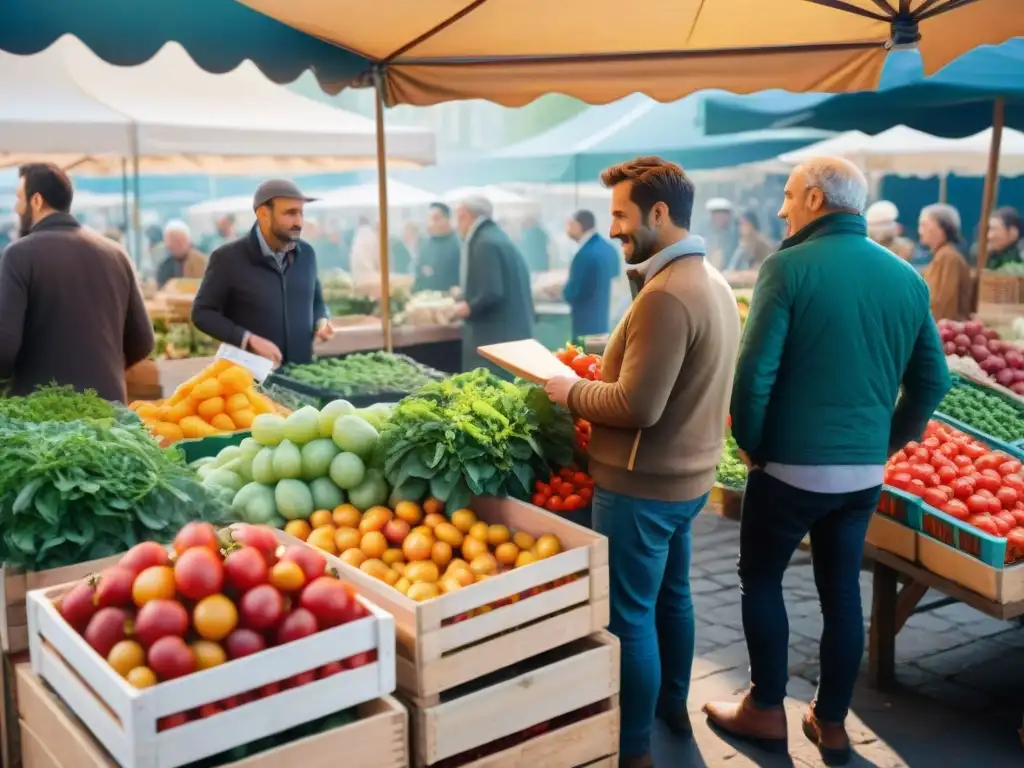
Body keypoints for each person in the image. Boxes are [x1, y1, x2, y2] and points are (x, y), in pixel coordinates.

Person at [703, 157, 950, 765]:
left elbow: (753, 375)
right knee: (841, 590)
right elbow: (933, 381)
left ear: (815, 198)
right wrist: (887, 442)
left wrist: (752, 444)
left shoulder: (786, 267)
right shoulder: (907, 278)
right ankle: (832, 722)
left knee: (761, 577)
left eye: (788, 196)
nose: (782, 209)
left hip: (789, 467)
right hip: (863, 473)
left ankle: (764, 708)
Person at [544, 157, 740, 768]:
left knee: (629, 617)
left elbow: (636, 405)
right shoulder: (710, 281)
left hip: (640, 486)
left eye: (622, 216)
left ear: (659, 213)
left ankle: (632, 751)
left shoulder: (667, 296)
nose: (613, 230)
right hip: (687, 481)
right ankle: (671, 708)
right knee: (672, 599)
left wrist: (566, 390)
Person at [0, 163, 153, 402]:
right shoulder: (116, 253)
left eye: (20, 199)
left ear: (37, 201)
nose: (17, 208)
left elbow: (4, 348)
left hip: (42, 418)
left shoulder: (18, 255)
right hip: (108, 412)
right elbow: (143, 342)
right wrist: (100, 372)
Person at [192, 179, 333, 366]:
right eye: (290, 213)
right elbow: (202, 313)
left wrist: (322, 321)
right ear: (263, 214)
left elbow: (316, 301)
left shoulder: (307, 254)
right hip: (249, 380)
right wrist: (248, 340)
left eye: (301, 213)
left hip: (301, 376)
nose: (299, 222)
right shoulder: (227, 259)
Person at [453, 196, 535, 377]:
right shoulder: (496, 236)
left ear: (464, 214)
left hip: (496, 340)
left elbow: (491, 292)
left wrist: (467, 308)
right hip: (511, 337)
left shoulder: (484, 243)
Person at [562, 209, 620, 338]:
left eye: (570, 225)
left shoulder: (584, 254)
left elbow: (573, 292)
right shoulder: (609, 249)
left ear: (578, 226)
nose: (567, 229)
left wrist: (561, 291)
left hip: (585, 324)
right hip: (606, 321)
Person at [919, 203, 972, 322]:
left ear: (941, 228)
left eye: (924, 225)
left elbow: (942, 304)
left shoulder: (948, 257)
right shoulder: (941, 255)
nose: (920, 231)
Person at [413, 202, 461, 293]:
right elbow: (419, 273)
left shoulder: (459, 244)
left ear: (447, 219)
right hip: (427, 299)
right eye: (429, 219)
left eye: (436, 218)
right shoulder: (425, 245)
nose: (431, 223)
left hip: (451, 299)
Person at [154, 220, 207, 288]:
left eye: (181, 241)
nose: (177, 245)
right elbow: (160, 288)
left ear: (189, 241)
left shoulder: (203, 262)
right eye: (173, 241)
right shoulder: (164, 266)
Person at [983, 206, 1023, 271]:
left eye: (994, 229)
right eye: (988, 230)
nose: (988, 236)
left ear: (1012, 233)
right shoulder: (986, 252)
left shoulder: (1021, 249)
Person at [705, 197, 738, 270]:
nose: (718, 218)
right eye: (715, 215)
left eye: (722, 215)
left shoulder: (735, 236)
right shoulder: (706, 235)